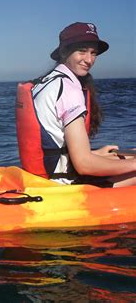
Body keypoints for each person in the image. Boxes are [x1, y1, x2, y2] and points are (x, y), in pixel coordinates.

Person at [16, 22, 135, 187]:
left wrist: (96, 154)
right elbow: (84, 164)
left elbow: (56, 144)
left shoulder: (45, 82)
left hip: (44, 175)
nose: (89, 60)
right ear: (64, 52)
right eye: (82, 51)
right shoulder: (68, 89)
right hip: (63, 184)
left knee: (129, 155)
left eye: (93, 53)